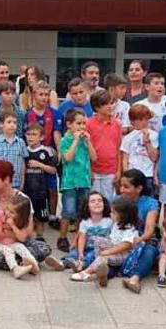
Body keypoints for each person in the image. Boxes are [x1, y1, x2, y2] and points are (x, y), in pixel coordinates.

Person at [0, 161, 53, 270]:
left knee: (44, 248)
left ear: (6, 180)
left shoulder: (22, 199)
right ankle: (24, 262)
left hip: (16, 241)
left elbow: (27, 233)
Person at [106, 169, 160, 294]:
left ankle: (134, 279)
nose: (121, 190)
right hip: (119, 240)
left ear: (139, 188)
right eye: (121, 186)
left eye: (126, 187)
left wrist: (138, 240)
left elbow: (149, 231)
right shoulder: (115, 200)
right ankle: (97, 271)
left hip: (140, 241)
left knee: (150, 251)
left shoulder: (150, 203)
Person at [65, 199, 138, 286]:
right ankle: (96, 264)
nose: (110, 214)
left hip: (123, 255)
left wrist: (107, 252)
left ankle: (86, 273)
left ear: (122, 215)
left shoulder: (130, 228)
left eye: (113, 213)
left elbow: (126, 245)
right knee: (97, 239)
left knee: (104, 257)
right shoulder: (117, 224)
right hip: (113, 248)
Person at [57, 108, 96, 252]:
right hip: (70, 183)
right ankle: (62, 237)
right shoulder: (65, 140)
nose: (82, 127)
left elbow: (93, 157)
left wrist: (88, 142)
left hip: (84, 181)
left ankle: (79, 238)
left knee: (82, 212)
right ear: (69, 124)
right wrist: (75, 140)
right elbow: (67, 158)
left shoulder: (85, 140)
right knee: (68, 211)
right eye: (78, 124)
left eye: (83, 124)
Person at [58, 192, 112, 271]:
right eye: (93, 201)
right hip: (86, 248)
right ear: (87, 206)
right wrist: (80, 253)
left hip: (100, 249)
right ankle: (62, 263)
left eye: (99, 201)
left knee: (91, 256)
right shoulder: (85, 222)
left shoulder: (109, 221)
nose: (97, 203)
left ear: (104, 204)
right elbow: (82, 238)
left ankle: (80, 265)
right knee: (74, 254)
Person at [0, 194, 40, 279]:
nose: (8, 213)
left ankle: (34, 265)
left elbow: (22, 238)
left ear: (20, 215)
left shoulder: (20, 222)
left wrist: (13, 226)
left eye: (12, 212)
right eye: (8, 210)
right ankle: (15, 269)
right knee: (8, 251)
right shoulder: (0, 215)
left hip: (12, 242)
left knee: (21, 247)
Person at [23, 123, 57, 240]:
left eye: (34, 134)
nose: (30, 137)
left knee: (40, 216)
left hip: (40, 191)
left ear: (41, 137)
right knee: (27, 216)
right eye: (28, 134)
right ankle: (28, 237)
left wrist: (40, 165)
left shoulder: (47, 152)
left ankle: (40, 237)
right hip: (26, 190)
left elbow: (53, 170)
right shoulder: (23, 150)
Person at [87, 89, 122, 197]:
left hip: (111, 170)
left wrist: (118, 170)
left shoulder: (117, 124)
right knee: (94, 199)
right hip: (94, 170)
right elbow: (85, 149)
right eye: (105, 104)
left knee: (108, 200)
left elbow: (118, 148)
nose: (109, 106)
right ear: (97, 107)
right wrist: (89, 170)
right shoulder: (88, 124)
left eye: (111, 103)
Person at [121, 105, 159, 192]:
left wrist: (147, 142)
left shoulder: (154, 135)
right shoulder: (128, 138)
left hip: (148, 174)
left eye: (146, 119)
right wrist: (126, 176)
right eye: (140, 119)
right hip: (133, 176)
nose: (144, 122)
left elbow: (155, 158)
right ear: (132, 121)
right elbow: (125, 159)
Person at [0, 113, 27, 190]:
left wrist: (22, 181)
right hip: (1, 183)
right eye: (9, 122)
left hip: (17, 183)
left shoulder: (21, 142)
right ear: (1, 124)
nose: (12, 125)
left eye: (15, 122)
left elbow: (22, 163)